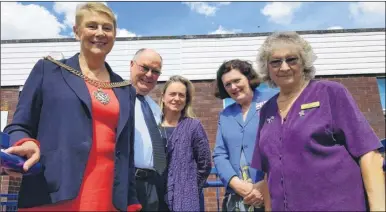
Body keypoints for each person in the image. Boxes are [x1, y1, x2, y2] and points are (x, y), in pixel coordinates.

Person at [2, 2, 139, 211]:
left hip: (108, 199)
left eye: (107, 28)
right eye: (92, 26)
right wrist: (26, 143)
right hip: (53, 193)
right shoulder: (48, 70)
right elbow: (19, 125)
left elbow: (126, 152)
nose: (100, 33)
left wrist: (131, 201)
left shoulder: (124, 88)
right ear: (77, 31)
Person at [251, 31, 385, 211]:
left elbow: (369, 154)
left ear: (304, 62)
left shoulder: (330, 93)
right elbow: (269, 173)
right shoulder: (266, 110)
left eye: (292, 59)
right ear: (267, 68)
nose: (284, 67)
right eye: (275, 62)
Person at [212, 59, 278, 211]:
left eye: (237, 80)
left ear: (248, 78)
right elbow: (220, 154)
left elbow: (285, 145)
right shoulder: (225, 114)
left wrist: (265, 183)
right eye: (227, 84)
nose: (233, 87)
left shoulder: (273, 100)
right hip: (236, 197)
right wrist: (236, 184)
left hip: (271, 193)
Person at [159, 75, 212, 211]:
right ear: (163, 96)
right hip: (154, 197)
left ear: (186, 100)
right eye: (172, 94)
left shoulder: (193, 126)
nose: (177, 98)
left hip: (184, 200)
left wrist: (190, 188)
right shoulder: (153, 124)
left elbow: (205, 163)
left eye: (181, 95)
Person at [129, 48, 170, 211]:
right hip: (127, 183)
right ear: (132, 65)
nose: (149, 75)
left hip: (153, 184)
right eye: (144, 68)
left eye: (155, 71)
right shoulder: (116, 98)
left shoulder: (155, 108)